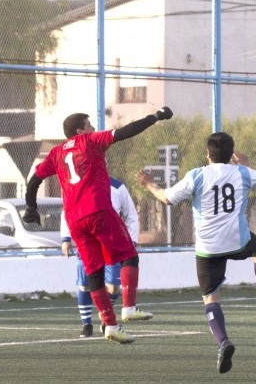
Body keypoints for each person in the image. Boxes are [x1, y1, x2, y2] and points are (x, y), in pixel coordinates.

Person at [135, 132, 256, 374]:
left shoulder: (196, 175)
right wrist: (246, 167)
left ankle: (223, 342)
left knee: (210, 298)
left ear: (208, 154)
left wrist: (148, 183)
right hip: (238, 241)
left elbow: (166, 198)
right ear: (230, 155)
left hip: (207, 247)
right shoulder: (241, 173)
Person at [23, 107, 173, 344]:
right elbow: (126, 132)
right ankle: (129, 307)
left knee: (94, 272)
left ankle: (111, 325)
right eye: (90, 124)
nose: (93, 128)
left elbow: (34, 181)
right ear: (80, 130)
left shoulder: (55, 153)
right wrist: (155, 117)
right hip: (98, 210)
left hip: (75, 219)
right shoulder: (90, 141)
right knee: (129, 255)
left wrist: (31, 208)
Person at [61, 177, 140, 338]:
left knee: (114, 287)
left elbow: (131, 214)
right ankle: (86, 324)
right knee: (85, 285)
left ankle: (105, 315)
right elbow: (67, 211)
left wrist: (132, 241)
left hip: (112, 243)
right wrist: (66, 238)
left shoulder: (117, 187)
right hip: (87, 242)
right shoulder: (78, 186)